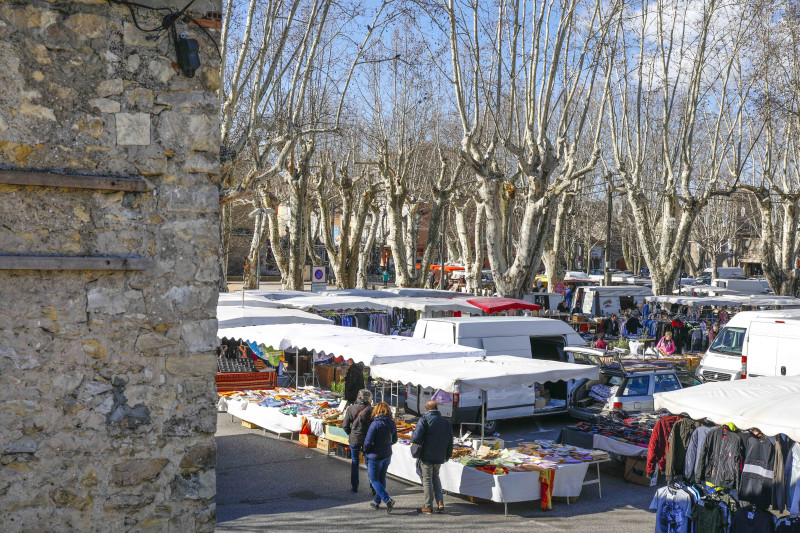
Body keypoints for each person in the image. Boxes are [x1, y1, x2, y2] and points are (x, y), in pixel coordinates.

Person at [411, 400, 453, 514]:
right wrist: (448, 455)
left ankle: (428, 506)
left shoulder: (424, 420)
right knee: (435, 477)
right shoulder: (446, 422)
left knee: (428, 480)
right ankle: (440, 502)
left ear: (426, 409)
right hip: (439, 455)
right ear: (437, 408)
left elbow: (415, 438)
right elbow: (450, 441)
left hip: (426, 455)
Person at [363, 402, 397, 512]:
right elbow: (395, 439)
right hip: (387, 454)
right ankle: (377, 502)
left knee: (374, 480)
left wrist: (366, 451)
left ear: (376, 411)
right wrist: (386, 445)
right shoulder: (391, 423)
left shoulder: (375, 424)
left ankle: (387, 500)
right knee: (381, 479)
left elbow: (368, 442)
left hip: (375, 455)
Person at [342, 389, 374, 494]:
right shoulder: (371, 409)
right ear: (368, 398)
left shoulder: (351, 408)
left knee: (355, 462)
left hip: (354, 439)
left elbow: (345, 426)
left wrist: (351, 433)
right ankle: (373, 487)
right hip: (367, 439)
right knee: (369, 463)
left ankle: (354, 486)